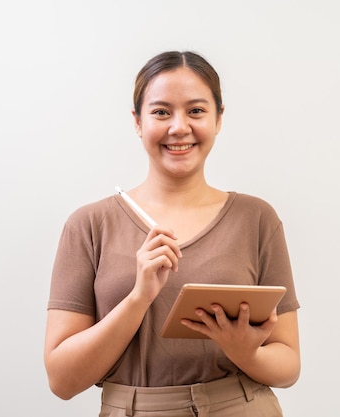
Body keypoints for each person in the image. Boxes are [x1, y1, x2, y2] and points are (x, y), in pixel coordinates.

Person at [44, 51, 301, 417]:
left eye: (196, 111)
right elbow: (62, 380)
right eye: (161, 112)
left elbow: (289, 364)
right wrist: (138, 297)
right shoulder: (88, 225)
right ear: (137, 121)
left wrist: (245, 352)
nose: (179, 127)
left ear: (219, 118)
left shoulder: (256, 218)